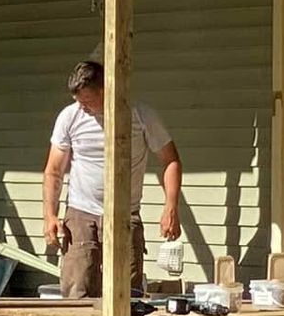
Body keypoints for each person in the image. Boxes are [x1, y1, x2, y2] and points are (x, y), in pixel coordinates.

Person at [41, 59, 182, 300]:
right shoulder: (70, 117)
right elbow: (54, 170)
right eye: (77, 100)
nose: (81, 106)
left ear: (105, 90)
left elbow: (170, 160)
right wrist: (49, 215)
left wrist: (171, 206)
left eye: (87, 101)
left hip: (125, 213)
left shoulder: (140, 116)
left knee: (127, 294)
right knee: (78, 289)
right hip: (81, 213)